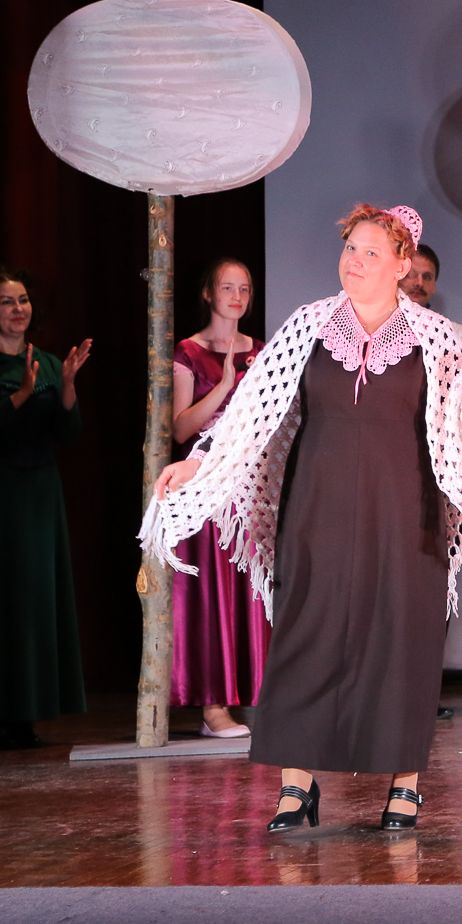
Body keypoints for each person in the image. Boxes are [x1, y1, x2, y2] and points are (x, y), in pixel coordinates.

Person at [144, 204, 462, 833]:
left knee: (404, 640)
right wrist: (198, 463)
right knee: (306, 636)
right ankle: (297, 786)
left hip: (407, 512)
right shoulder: (309, 325)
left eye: (373, 252)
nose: (356, 261)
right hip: (317, 506)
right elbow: (250, 413)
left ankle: (404, 787)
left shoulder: (440, 338)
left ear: (401, 265)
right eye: (351, 248)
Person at [0, 266, 92, 749]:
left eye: (23, 300)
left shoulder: (49, 362)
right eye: (6, 301)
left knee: (35, 601)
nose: (18, 309)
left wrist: (68, 388)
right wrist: (17, 397)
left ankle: (27, 712)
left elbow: (69, 436)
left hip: (39, 496)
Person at [170, 259, 267, 738]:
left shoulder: (261, 351)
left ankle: (255, 693)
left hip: (249, 484)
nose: (236, 297)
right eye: (227, 288)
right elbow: (180, 428)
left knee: (250, 588)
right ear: (208, 293)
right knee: (213, 591)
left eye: (244, 289)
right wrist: (225, 387)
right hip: (205, 484)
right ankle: (213, 707)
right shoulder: (189, 352)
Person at [399, 242, 462, 721]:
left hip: (438, 477)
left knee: (433, 585)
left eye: (428, 277)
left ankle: (422, 694)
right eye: (414, 273)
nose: (420, 283)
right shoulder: (372, 328)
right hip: (387, 470)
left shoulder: (454, 335)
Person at [400, 243, 462, 358]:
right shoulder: (377, 328)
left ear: (434, 286)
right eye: (412, 275)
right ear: (398, 277)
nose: (419, 283)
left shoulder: (457, 335)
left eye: (427, 277)